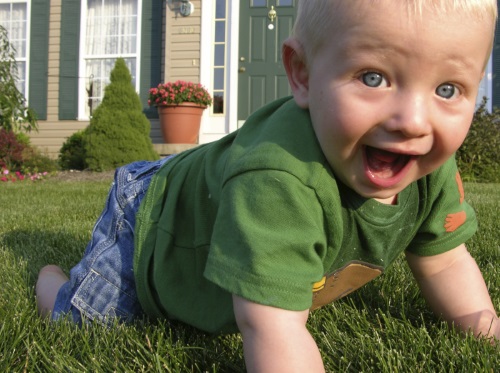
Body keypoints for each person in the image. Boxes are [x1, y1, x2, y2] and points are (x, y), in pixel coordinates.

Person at [37, 0, 499, 371]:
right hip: (153, 217)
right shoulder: (278, 178)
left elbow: (444, 261)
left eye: (447, 90)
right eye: (373, 78)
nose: (413, 122)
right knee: (86, 323)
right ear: (302, 74)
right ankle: (50, 280)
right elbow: (272, 327)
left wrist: (484, 330)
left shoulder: (429, 161)